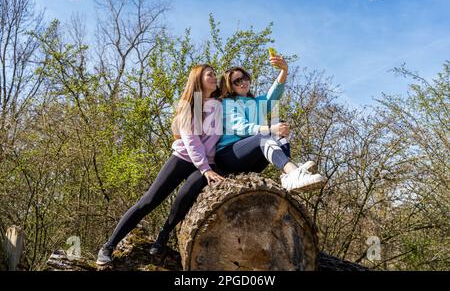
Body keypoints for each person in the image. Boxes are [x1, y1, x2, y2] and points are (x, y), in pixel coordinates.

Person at [96, 64, 224, 265]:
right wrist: (205, 168)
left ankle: (162, 238)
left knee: (185, 197)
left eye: (215, 74)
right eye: (210, 74)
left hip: (205, 163)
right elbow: (191, 141)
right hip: (183, 159)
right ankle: (108, 246)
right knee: (148, 201)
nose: (214, 77)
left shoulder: (219, 105)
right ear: (198, 79)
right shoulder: (187, 106)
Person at [215, 55, 327, 192]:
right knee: (265, 135)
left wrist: (284, 71)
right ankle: (293, 172)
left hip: (251, 159)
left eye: (244, 77)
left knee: (279, 130)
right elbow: (241, 127)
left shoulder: (256, 102)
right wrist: (269, 128)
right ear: (229, 86)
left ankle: (290, 173)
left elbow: (274, 95)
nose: (243, 82)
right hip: (229, 156)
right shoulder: (227, 103)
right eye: (237, 81)